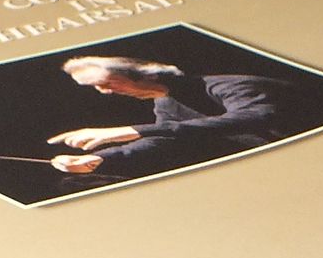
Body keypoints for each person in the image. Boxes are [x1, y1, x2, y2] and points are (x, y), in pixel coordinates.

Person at [45, 55, 304, 177]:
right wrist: (99, 157)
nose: (105, 92)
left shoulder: (226, 85)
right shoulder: (166, 104)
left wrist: (131, 130)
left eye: (109, 83)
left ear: (142, 73)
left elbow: (256, 116)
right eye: (96, 88)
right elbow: (164, 138)